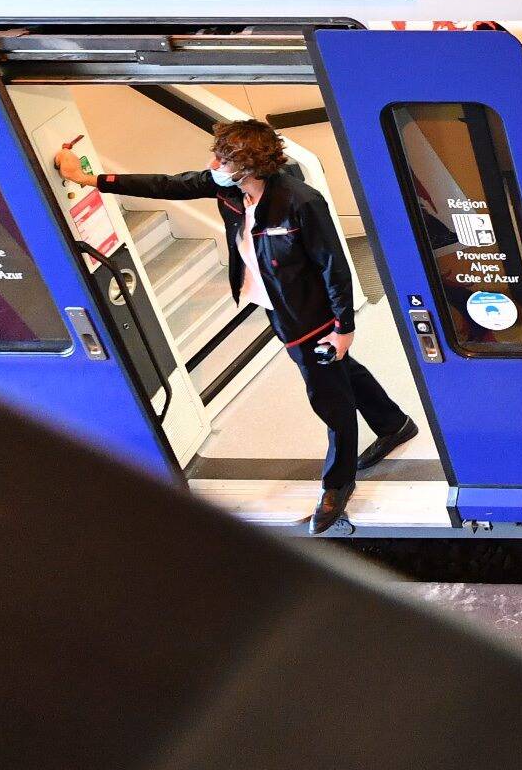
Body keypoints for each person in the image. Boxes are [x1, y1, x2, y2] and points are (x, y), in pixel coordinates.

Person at [56, 119, 413, 535]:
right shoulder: (228, 187)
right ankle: (393, 424)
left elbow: (334, 266)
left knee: (328, 397)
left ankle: (338, 484)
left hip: (309, 316)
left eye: (223, 158)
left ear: (251, 165)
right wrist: (90, 179)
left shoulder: (300, 202)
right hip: (277, 304)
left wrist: (343, 328)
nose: (213, 163)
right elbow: (169, 184)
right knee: (339, 371)